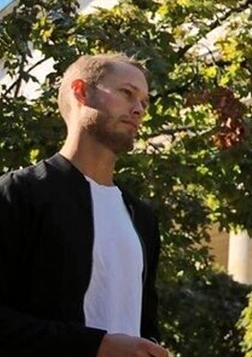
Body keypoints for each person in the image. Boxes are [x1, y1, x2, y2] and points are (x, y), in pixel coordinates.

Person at [0, 54, 168, 357]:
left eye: (144, 101)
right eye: (127, 93)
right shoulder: (19, 193)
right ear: (81, 91)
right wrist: (95, 345)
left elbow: (145, 325)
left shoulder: (142, 217)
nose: (139, 109)